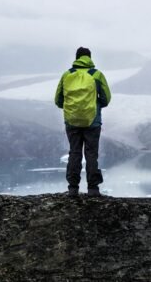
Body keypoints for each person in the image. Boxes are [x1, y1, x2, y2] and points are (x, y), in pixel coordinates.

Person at [55, 47, 112, 197]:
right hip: (92, 121)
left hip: (72, 121)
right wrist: (95, 105)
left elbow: (58, 100)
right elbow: (106, 98)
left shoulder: (67, 75)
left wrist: (71, 109)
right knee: (91, 154)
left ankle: (73, 188)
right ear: (89, 58)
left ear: (76, 58)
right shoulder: (97, 75)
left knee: (74, 153)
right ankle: (93, 189)